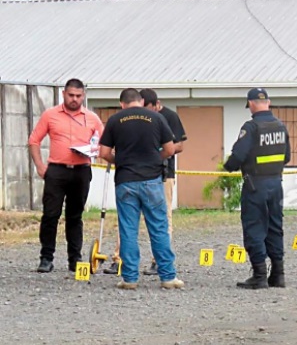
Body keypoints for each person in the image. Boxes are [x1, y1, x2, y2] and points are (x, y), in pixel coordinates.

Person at [98, 88, 184, 290]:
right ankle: (168, 277)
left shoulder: (114, 120)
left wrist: (121, 161)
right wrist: (154, 160)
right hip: (152, 180)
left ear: (122, 104)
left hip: (125, 180)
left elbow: (103, 152)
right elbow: (170, 149)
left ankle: (129, 278)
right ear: (141, 101)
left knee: (128, 229)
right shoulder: (156, 118)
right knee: (159, 228)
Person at [28, 78, 104, 273]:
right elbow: (34, 140)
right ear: (64, 94)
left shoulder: (92, 118)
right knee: (51, 215)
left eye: (78, 96)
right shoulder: (50, 115)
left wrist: (94, 151)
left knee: (75, 216)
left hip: (81, 170)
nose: (74, 99)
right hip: (56, 170)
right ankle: (46, 257)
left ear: (83, 96)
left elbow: (103, 143)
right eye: (71, 95)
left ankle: (75, 259)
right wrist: (39, 166)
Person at [223, 88, 291, 289]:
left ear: (251, 104)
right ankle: (278, 274)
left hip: (255, 185)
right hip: (276, 184)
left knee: (254, 226)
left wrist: (229, 167)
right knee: (275, 227)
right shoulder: (281, 126)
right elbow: (286, 157)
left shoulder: (251, 127)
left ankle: (259, 275)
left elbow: (238, 156)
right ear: (268, 103)